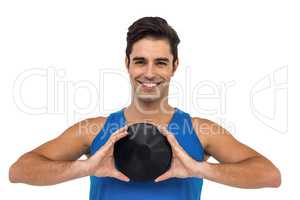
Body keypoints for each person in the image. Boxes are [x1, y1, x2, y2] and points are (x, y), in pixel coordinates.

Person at [9, 16, 281, 200]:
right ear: (127, 63)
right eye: (140, 61)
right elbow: (19, 170)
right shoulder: (94, 129)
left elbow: (270, 175)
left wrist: (200, 169)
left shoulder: (200, 130)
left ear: (175, 66)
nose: (149, 73)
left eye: (160, 62)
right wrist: (85, 167)